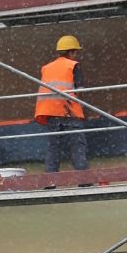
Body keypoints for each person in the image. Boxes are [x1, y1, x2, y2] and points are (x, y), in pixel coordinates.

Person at [34, 34, 89, 173]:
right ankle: (83, 179)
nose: (76, 55)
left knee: (53, 147)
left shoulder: (46, 68)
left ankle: (51, 179)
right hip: (69, 111)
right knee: (77, 145)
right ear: (71, 52)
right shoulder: (73, 65)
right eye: (75, 52)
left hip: (50, 112)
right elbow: (80, 90)